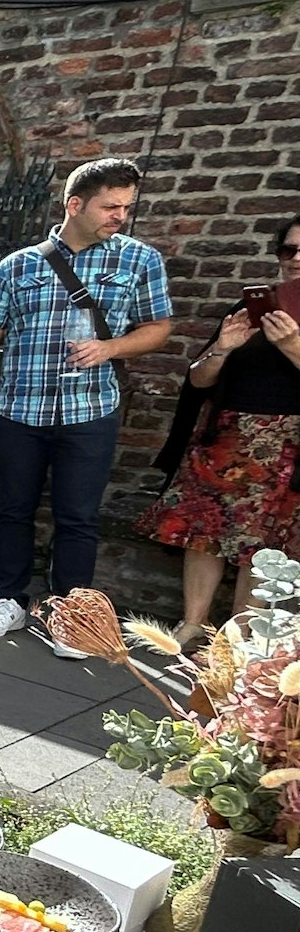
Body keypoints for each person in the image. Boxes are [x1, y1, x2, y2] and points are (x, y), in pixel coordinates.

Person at [0, 158, 172, 652]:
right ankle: (8, 598)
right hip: (19, 411)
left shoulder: (139, 261)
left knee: (78, 517)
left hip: (89, 412)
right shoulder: (20, 265)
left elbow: (159, 329)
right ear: (74, 205)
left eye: (126, 206)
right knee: (13, 509)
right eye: (110, 206)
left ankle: (69, 615)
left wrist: (110, 348)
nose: (120, 215)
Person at [143, 214, 300, 631]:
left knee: (263, 544)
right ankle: (193, 624)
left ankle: (238, 635)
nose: (296, 258)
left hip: (286, 446)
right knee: (204, 532)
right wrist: (223, 350)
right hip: (225, 437)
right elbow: (198, 379)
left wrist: (293, 346)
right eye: (289, 249)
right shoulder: (252, 304)